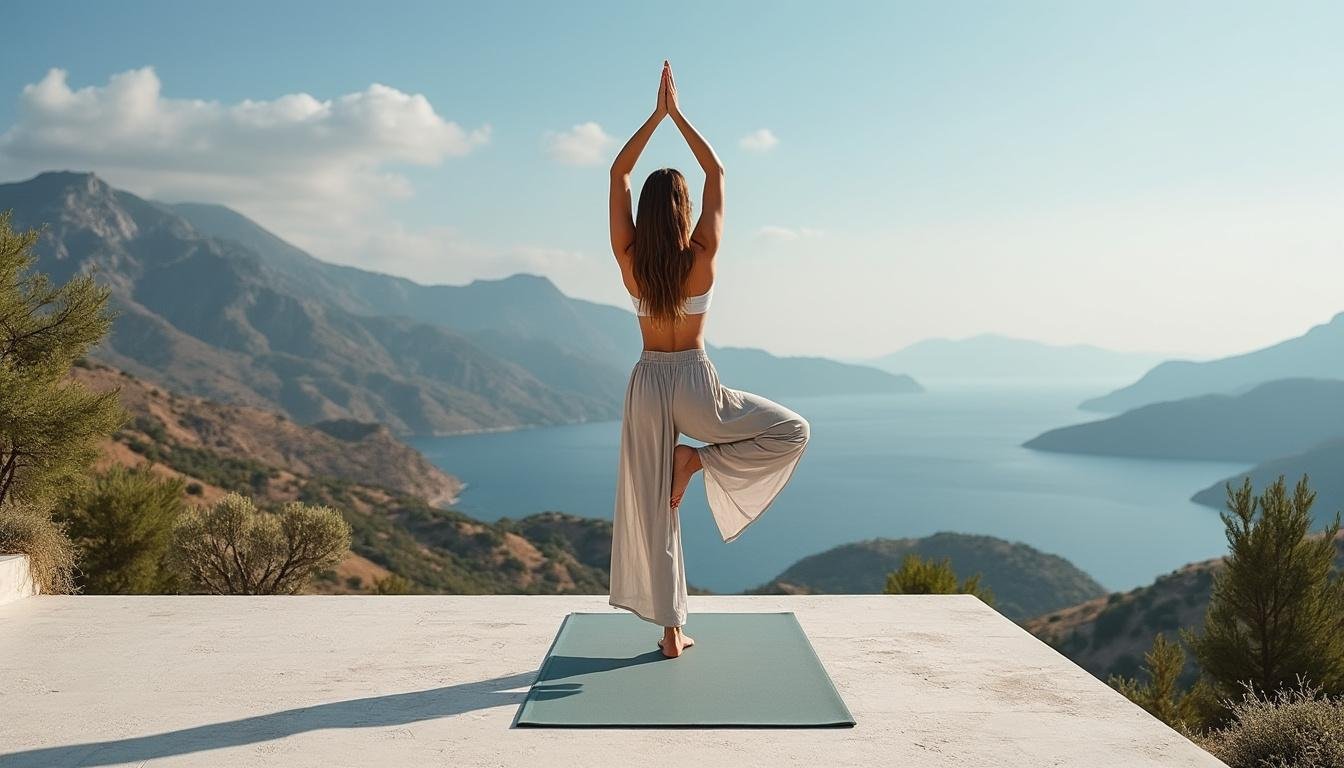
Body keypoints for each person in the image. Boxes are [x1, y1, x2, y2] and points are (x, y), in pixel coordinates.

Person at [607, 60, 811, 659]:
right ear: (683, 209)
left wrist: (653, 118)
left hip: (648, 380)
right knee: (791, 430)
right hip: (695, 381)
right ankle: (696, 459)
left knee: (654, 510)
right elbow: (716, 169)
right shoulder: (703, 255)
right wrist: (678, 115)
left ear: (645, 214)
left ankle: (670, 632)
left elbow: (619, 171)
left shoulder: (630, 258)